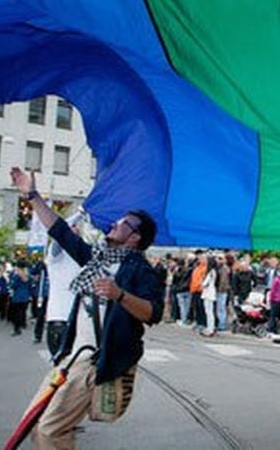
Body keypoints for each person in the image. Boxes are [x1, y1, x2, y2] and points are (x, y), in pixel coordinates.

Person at [9, 167, 164, 449]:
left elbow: (153, 313)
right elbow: (60, 231)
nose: (115, 224)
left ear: (134, 238)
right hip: (70, 355)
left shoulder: (140, 270)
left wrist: (120, 295)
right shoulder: (97, 258)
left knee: (49, 431)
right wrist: (31, 195)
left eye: (124, 223)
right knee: (36, 425)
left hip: (92, 360)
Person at [44, 211, 85, 355]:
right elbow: (59, 231)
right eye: (72, 227)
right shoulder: (55, 255)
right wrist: (79, 213)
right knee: (61, 368)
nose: (76, 229)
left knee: (75, 369)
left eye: (77, 227)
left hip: (78, 320)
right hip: (59, 320)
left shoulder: (81, 257)